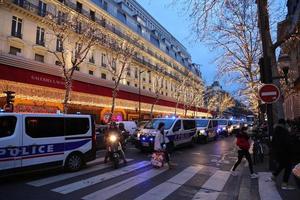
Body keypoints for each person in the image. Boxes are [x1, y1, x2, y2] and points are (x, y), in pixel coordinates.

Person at [271, 119, 295, 190]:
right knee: (288, 167)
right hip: (285, 152)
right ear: (284, 124)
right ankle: (284, 184)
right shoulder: (284, 131)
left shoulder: (275, 130)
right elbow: (287, 142)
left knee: (282, 165)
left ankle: (274, 176)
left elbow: (273, 142)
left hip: (278, 152)